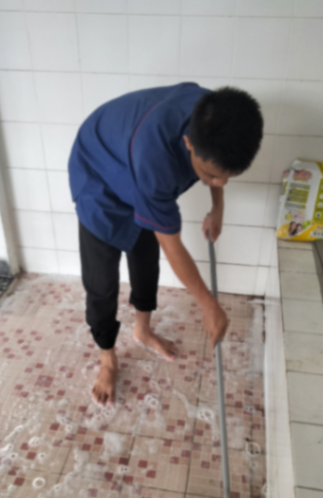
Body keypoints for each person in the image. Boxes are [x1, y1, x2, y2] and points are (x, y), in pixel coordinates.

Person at [68, 83, 263, 406]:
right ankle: (107, 358)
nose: (218, 182)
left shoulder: (216, 114)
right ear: (188, 143)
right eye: (210, 176)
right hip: (98, 172)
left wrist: (218, 206)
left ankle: (142, 331)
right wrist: (209, 305)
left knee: (145, 257)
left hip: (133, 157)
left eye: (227, 177)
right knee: (101, 281)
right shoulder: (155, 162)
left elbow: (218, 163)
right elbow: (174, 247)